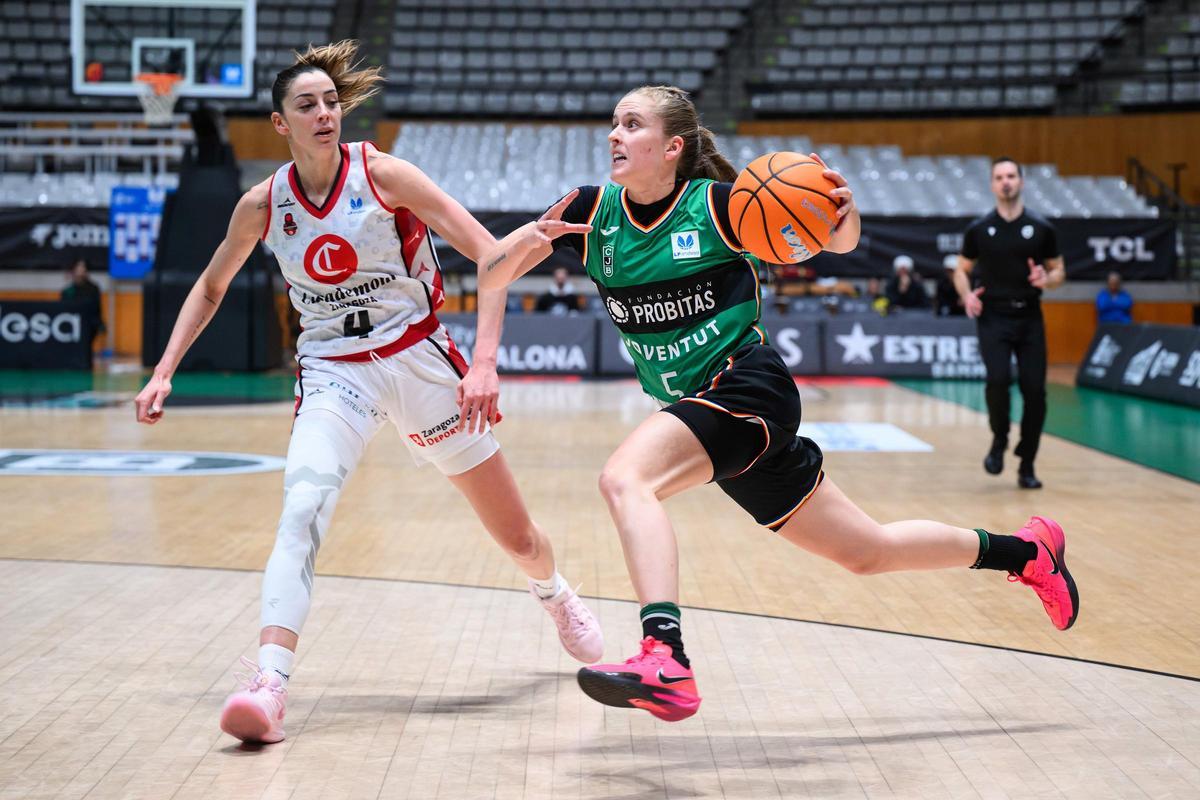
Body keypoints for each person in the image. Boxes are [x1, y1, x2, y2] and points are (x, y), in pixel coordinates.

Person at [478, 86, 1079, 723]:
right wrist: (520, 256)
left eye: (632, 124)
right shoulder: (587, 211)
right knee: (866, 551)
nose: (614, 136)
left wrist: (843, 215)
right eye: (614, 124)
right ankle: (1029, 552)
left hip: (744, 386)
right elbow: (491, 271)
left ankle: (666, 656)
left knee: (625, 479)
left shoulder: (720, 207)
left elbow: (830, 244)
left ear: (673, 147)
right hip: (708, 412)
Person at [133, 41, 602, 744]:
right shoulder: (263, 205)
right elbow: (208, 286)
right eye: (306, 105)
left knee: (518, 537)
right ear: (279, 123)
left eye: (331, 102)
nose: (324, 114)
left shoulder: (383, 174)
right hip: (334, 370)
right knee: (302, 504)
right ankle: (268, 683)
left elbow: (490, 258)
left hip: (420, 361)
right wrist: (165, 366)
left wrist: (483, 357)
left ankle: (555, 595)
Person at [955, 157, 1065, 490]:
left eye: (1011, 176)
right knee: (998, 381)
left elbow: (1060, 272)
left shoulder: (1042, 228)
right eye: (999, 177)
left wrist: (1047, 279)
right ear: (992, 184)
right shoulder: (979, 229)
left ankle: (1027, 462)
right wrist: (967, 296)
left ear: (1021, 181)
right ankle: (1000, 437)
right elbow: (960, 270)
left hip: (1029, 316)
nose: (1006, 181)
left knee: (1035, 392)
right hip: (993, 317)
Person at [61, 258, 105, 344]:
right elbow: (64, 309)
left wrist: (100, 323)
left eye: (83, 267)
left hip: (89, 323)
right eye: (78, 267)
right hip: (72, 322)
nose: (80, 270)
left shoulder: (93, 288)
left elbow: (97, 308)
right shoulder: (68, 291)